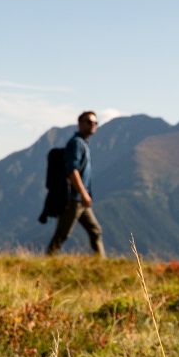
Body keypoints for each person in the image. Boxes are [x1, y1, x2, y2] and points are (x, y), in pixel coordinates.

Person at [39, 110, 104, 256]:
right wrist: (83, 194)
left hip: (80, 199)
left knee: (95, 230)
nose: (93, 125)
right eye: (89, 122)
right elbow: (72, 171)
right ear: (80, 124)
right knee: (62, 234)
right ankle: (48, 260)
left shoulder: (83, 144)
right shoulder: (76, 144)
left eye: (95, 122)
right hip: (73, 199)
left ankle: (101, 262)